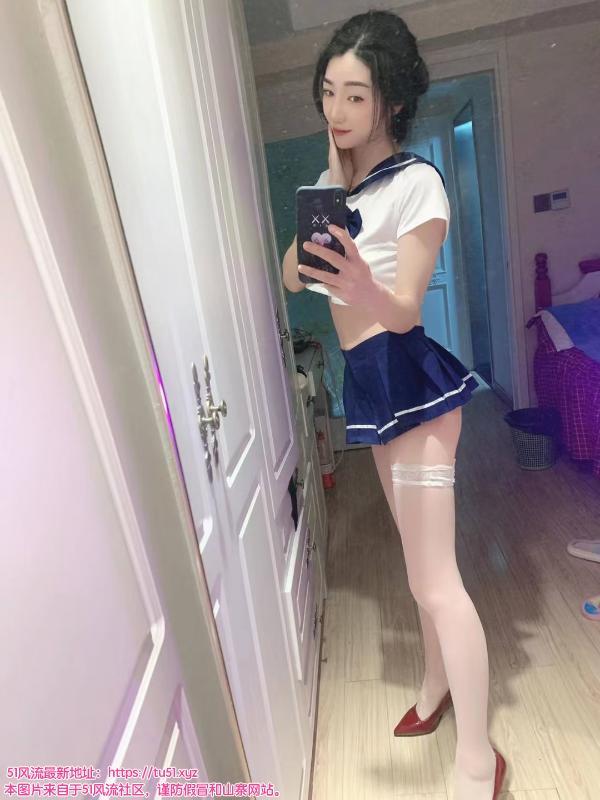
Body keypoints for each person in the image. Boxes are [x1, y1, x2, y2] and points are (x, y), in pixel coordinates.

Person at [281, 10, 507, 800]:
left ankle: (479, 755)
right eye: (328, 93)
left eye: (355, 95)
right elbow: (290, 275)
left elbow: (406, 309)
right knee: (416, 572)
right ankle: (434, 685)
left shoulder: (418, 182)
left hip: (410, 381)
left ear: (393, 102)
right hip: (368, 383)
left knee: (437, 580)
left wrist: (358, 282)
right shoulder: (338, 188)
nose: (337, 110)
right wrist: (326, 188)